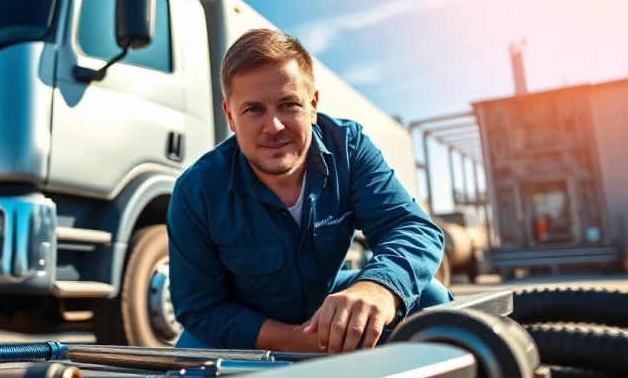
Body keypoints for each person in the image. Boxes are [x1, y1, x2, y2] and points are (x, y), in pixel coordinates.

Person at [167, 28, 452, 354]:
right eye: (253, 110)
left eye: (288, 104)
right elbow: (200, 308)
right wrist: (302, 341)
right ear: (230, 116)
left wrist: (376, 289)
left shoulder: (349, 148)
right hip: (250, 330)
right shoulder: (196, 191)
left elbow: (410, 227)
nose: (273, 126)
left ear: (313, 104)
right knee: (187, 368)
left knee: (431, 299)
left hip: (331, 304)